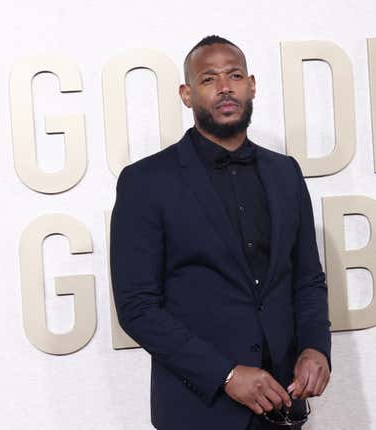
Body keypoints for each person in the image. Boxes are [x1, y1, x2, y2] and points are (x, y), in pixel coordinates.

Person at [110, 35, 332, 430]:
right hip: (198, 411)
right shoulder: (145, 182)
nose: (225, 87)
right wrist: (225, 375)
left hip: (284, 404)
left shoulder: (286, 173)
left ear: (252, 85)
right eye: (209, 78)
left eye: (234, 75)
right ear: (186, 93)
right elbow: (137, 307)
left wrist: (316, 347)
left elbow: (308, 279)